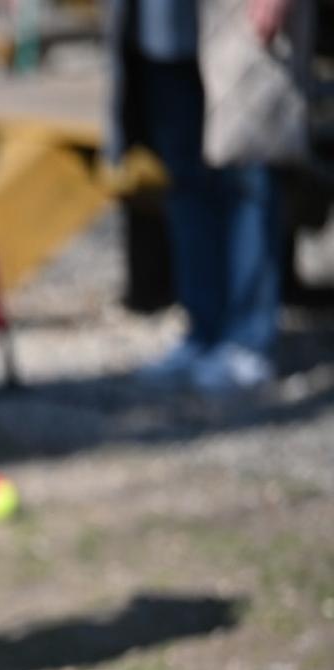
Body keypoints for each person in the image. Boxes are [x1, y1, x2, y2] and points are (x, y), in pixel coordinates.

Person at [108, 0, 286, 391]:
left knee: (246, 176)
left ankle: (248, 338)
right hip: (159, 26)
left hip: (234, 19)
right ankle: (203, 330)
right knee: (185, 181)